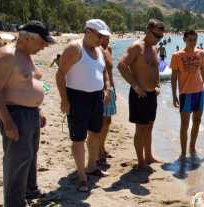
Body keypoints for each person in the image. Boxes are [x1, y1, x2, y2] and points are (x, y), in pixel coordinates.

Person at [0, 20, 54, 207]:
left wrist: (38, 109)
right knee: (17, 159)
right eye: (42, 42)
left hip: (30, 113)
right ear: (28, 38)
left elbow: (30, 83)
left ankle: (30, 191)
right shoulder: (7, 55)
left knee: (30, 154)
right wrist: (8, 122)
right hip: (15, 113)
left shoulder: (26, 55)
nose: (44, 47)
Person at [56, 19, 111, 192]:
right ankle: (81, 176)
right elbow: (60, 75)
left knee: (96, 132)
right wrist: (64, 100)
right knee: (78, 138)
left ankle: (91, 166)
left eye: (103, 36)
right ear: (88, 32)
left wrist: (107, 88)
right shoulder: (75, 48)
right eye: (99, 35)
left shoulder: (100, 50)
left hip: (97, 97)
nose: (101, 39)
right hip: (77, 97)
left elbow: (104, 72)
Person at [117, 19, 164, 170]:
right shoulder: (137, 47)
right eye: (157, 35)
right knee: (140, 129)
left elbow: (156, 69)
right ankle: (140, 161)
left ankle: (149, 156)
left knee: (149, 126)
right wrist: (135, 86)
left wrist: (157, 85)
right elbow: (122, 66)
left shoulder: (154, 49)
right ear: (148, 31)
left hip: (151, 95)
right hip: (139, 94)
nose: (158, 39)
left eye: (161, 37)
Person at [170, 30, 204, 159]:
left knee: (197, 121)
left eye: (194, 40)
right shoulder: (177, 56)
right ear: (184, 40)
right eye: (190, 40)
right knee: (184, 124)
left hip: (199, 92)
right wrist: (174, 95)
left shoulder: (201, 53)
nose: (192, 42)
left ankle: (192, 147)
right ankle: (183, 152)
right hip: (185, 94)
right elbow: (174, 77)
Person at [98, 34, 117, 167]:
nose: (108, 40)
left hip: (110, 88)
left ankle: (102, 147)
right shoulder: (96, 51)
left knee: (108, 120)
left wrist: (114, 89)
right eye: (105, 37)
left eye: (108, 37)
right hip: (101, 89)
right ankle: (99, 151)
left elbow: (110, 72)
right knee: (101, 121)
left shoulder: (108, 50)